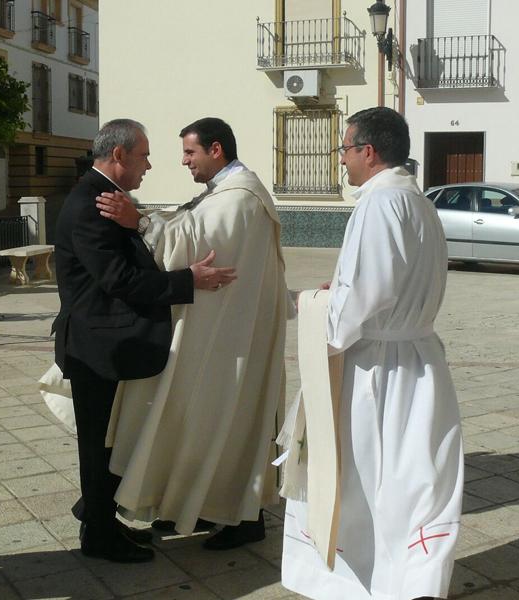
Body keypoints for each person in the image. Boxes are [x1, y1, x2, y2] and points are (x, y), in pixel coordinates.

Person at [280, 107, 464, 600]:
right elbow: (386, 282)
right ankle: (412, 581)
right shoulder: (416, 201)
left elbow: (367, 292)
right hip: (417, 358)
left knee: (367, 482)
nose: (342, 160)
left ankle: (366, 584)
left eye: (344, 149)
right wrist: (340, 288)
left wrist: (320, 310)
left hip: (376, 369)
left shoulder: (380, 204)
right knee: (414, 480)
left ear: (369, 151)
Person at [96, 117, 289, 549]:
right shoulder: (224, 192)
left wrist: (140, 223)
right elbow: (191, 223)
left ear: (216, 149)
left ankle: (243, 519)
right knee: (201, 422)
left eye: (190, 152)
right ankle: (199, 507)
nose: (183, 161)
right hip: (218, 333)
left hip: (232, 341)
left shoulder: (240, 197)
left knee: (227, 422)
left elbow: (195, 242)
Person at [53, 118, 236, 564]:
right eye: (143, 156)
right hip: (99, 349)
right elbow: (120, 280)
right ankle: (97, 535)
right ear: (118, 156)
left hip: (108, 345)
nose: (149, 165)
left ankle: (103, 520)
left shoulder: (106, 197)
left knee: (111, 442)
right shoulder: (90, 202)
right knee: (98, 447)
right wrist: (188, 281)